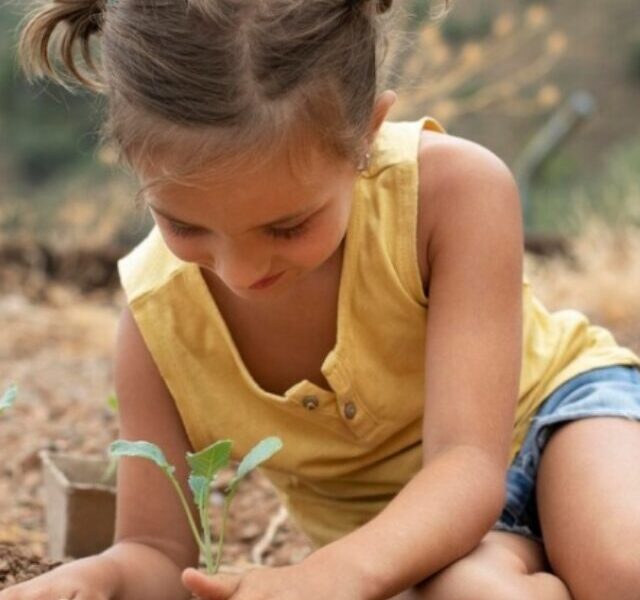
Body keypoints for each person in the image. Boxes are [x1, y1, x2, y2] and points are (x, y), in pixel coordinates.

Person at [7, 0, 640, 599]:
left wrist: (328, 576)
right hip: (407, 541)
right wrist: (102, 580)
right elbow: (154, 548)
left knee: (622, 568)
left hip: (555, 421)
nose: (240, 270)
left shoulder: (450, 193)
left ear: (365, 133)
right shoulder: (158, 325)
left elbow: (468, 466)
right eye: (187, 225)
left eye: (287, 227)